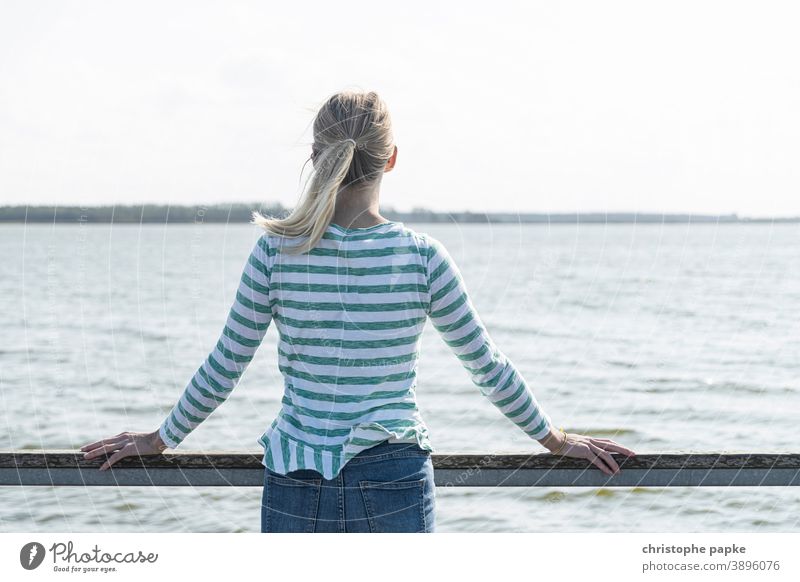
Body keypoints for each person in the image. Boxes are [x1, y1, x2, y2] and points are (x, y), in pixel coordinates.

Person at [81, 89, 636, 533]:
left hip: (295, 479)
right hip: (393, 474)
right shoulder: (422, 258)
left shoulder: (276, 251)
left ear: (315, 159)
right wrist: (558, 441)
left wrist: (160, 439)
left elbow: (226, 364)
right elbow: (486, 368)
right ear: (391, 160)